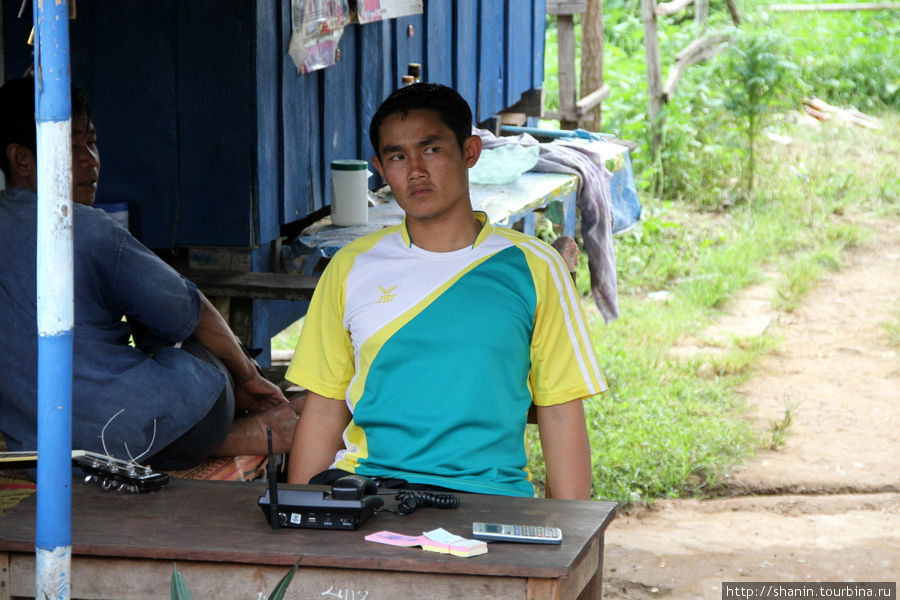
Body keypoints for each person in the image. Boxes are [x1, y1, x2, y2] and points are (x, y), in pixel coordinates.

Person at [285, 83, 605, 499]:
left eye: (431, 149)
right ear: (382, 170)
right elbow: (325, 407)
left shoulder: (534, 267)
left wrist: (572, 533)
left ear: (470, 152)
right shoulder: (351, 266)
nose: (415, 170)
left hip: (489, 495)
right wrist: (300, 517)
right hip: (369, 491)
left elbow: (560, 413)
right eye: (397, 156)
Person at [0, 76, 300, 470]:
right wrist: (249, 378)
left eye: (92, 143)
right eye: (72, 146)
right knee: (187, 337)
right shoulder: (86, 227)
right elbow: (192, 311)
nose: (90, 160)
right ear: (21, 159)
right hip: (141, 421)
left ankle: (203, 436)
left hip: (37, 444)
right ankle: (232, 433)